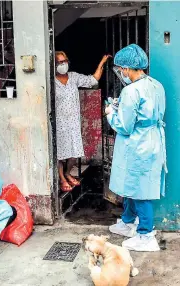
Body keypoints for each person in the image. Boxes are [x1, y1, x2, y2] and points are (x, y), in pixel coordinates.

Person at [105, 44, 167, 252]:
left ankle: (146, 235)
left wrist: (109, 112)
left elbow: (124, 125)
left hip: (138, 143)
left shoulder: (131, 90)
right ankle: (128, 221)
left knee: (141, 190)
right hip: (152, 140)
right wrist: (120, 106)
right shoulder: (156, 85)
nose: (120, 72)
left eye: (120, 69)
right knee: (132, 184)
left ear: (127, 68)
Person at [55, 51, 110, 192]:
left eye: (65, 61)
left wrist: (102, 62)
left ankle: (68, 173)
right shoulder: (51, 81)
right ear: (54, 64)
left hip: (73, 122)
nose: (63, 64)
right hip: (59, 124)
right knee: (60, 155)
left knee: (73, 153)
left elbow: (93, 79)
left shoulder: (74, 77)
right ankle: (62, 178)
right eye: (60, 62)